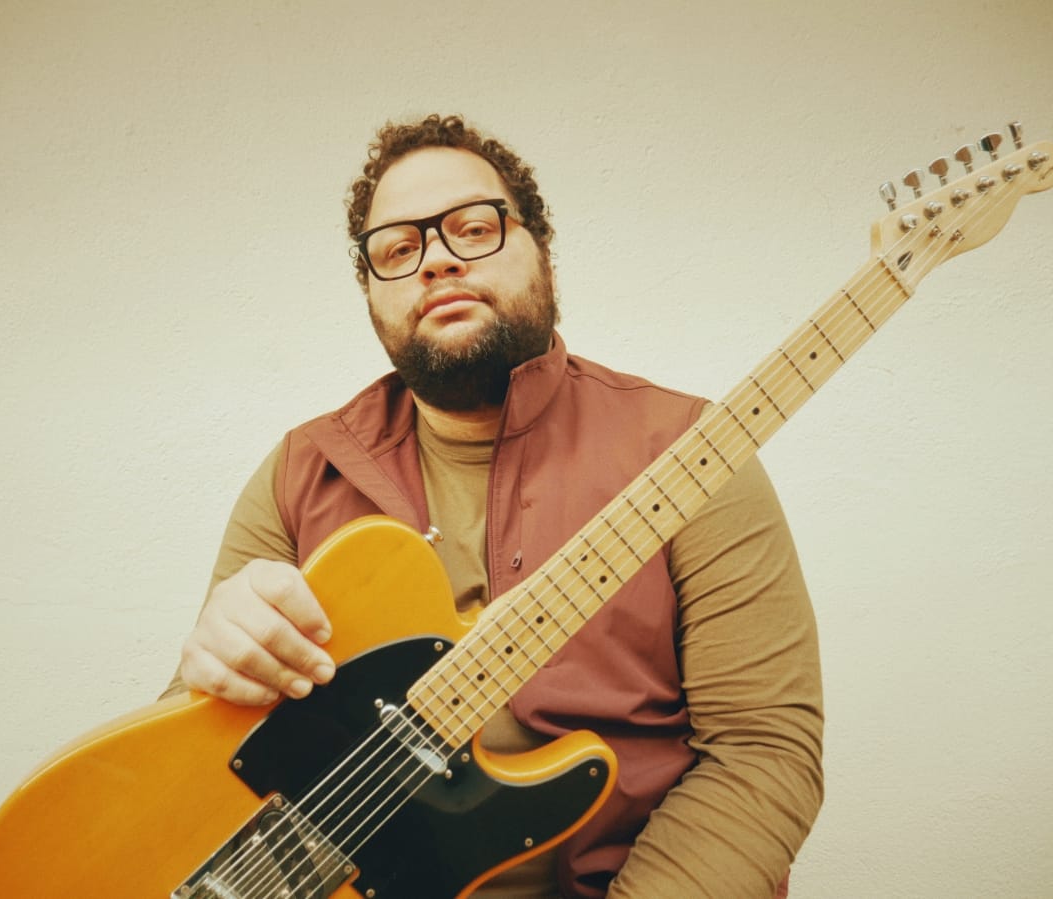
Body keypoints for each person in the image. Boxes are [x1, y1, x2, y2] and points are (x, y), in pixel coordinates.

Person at [163, 114, 823, 898]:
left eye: (473, 228)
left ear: (541, 250)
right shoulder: (300, 472)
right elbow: (196, 761)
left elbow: (762, 750)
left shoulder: (691, 450)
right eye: (398, 250)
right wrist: (212, 666)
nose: (437, 259)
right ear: (372, 295)